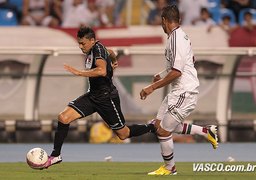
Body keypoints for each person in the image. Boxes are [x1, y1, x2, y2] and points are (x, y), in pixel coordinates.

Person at [42, 26, 155, 169]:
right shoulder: (97, 48)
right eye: (79, 43)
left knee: (123, 134)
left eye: (83, 43)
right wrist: (113, 60)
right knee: (63, 117)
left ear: (92, 41)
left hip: (107, 98)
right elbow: (112, 52)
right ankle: (55, 155)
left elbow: (101, 71)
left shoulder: (98, 49)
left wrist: (79, 72)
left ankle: (151, 126)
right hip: (93, 96)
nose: (80, 46)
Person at [140, 5, 218, 175]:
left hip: (185, 91)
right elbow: (180, 65)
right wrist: (160, 75)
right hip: (177, 91)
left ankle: (170, 168)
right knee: (159, 125)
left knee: (163, 131)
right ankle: (206, 131)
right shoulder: (176, 37)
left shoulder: (176, 39)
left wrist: (152, 87)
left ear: (163, 21)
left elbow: (177, 71)